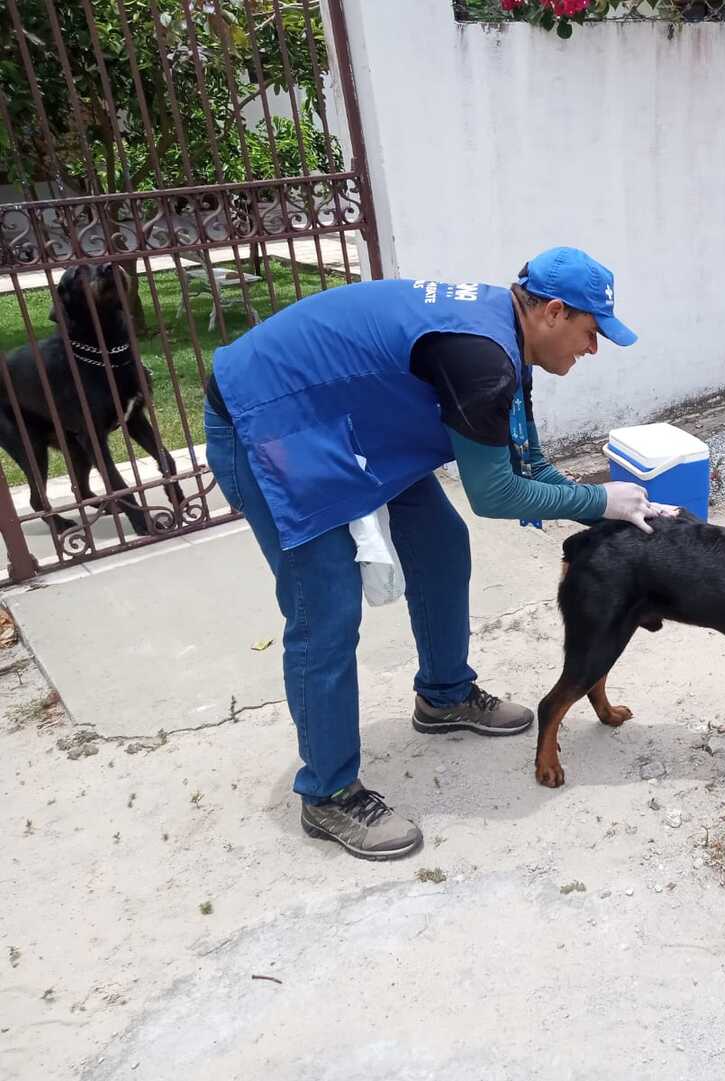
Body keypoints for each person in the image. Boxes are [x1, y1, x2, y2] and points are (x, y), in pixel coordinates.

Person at [204, 247, 674, 860]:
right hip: (269, 423)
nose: (592, 350)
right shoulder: (479, 358)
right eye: (592, 333)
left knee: (441, 546)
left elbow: (519, 461)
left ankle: (444, 695)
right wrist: (598, 501)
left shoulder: (504, 336)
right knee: (326, 608)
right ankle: (328, 794)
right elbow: (496, 492)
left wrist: (603, 499)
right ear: (554, 312)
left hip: (345, 419)